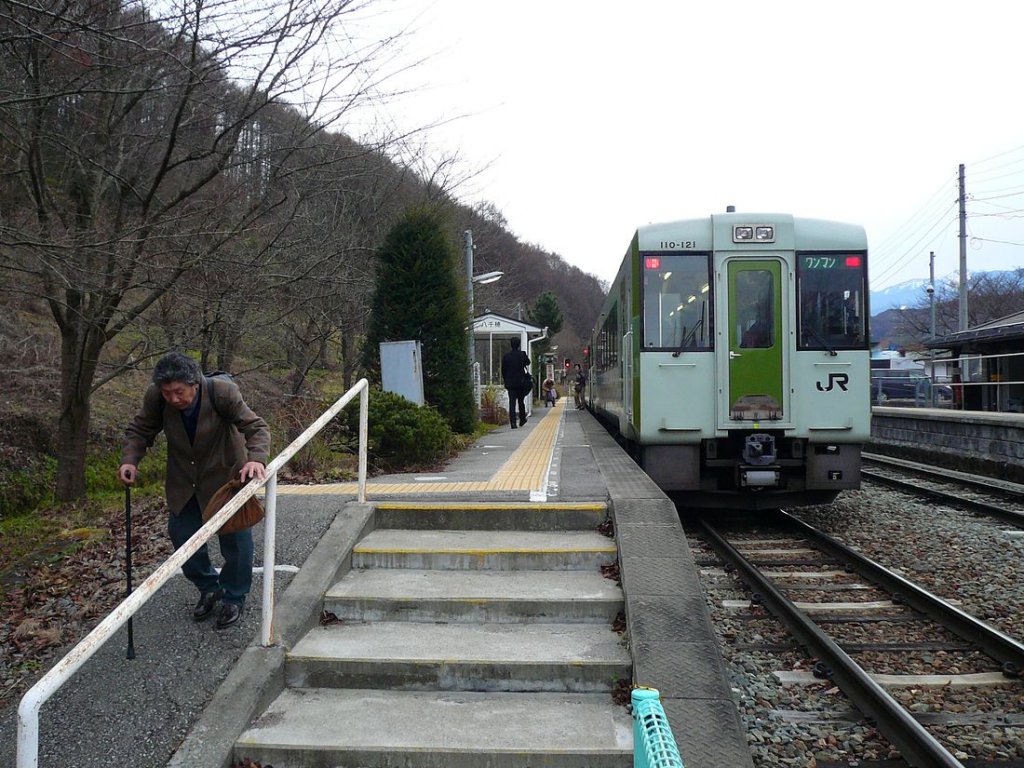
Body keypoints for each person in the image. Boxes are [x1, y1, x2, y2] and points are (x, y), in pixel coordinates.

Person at [118, 352, 270, 629]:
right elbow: (140, 430)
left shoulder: (222, 393)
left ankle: (234, 597)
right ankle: (209, 587)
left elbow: (256, 427)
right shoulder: (156, 397)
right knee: (182, 535)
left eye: (179, 392)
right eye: (168, 393)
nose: (174, 399)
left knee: (236, 543)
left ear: (195, 384)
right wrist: (130, 460)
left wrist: (256, 460)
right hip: (184, 480)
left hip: (225, 477)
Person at [500, 337, 530, 428]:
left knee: (512, 403)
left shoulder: (506, 356)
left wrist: (506, 380)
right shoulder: (522, 354)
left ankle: (513, 423)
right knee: (521, 401)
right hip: (521, 382)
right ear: (519, 344)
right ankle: (522, 419)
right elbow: (528, 362)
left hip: (510, 383)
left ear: (511, 344)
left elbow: (503, 370)